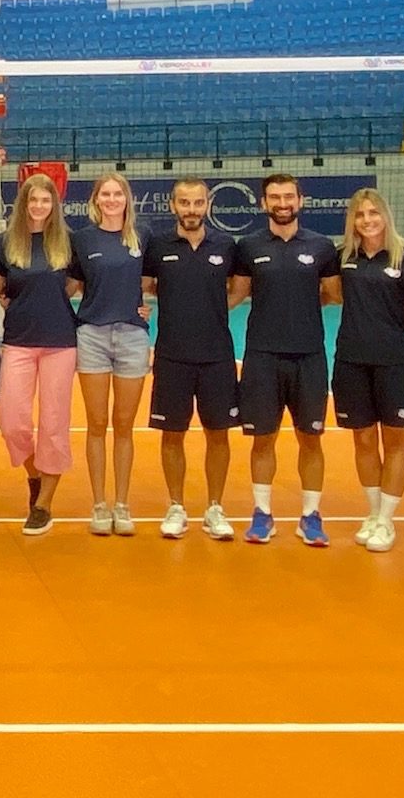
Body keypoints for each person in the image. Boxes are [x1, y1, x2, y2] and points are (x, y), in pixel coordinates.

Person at [229, 174, 340, 546]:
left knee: (311, 439)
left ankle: (310, 515)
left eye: (288, 196)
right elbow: (235, 295)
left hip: (309, 356)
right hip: (261, 356)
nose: (282, 202)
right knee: (263, 440)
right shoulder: (248, 247)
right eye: (274, 197)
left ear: (300, 200)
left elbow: (333, 294)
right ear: (263, 203)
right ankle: (262, 513)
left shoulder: (323, 247)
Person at [327, 188, 404, 554]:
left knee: (396, 440)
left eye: (373, 213)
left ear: (385, 215)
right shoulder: (342, 258)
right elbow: (333, 295)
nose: (367, 220)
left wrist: (396, 324)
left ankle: (387, 519)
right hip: (351, 360)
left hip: (394, 362)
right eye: (360, 214)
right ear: (352, 220)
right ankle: (373, 513)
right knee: (364, 440)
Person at [142, 177, 240, 540]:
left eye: (198, 203)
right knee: (173, 434)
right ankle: (176, 506)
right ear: (173, 206)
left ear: (207, 205)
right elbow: (148, 286)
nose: (192, 209)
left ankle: (215, 507)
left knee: (218, 435)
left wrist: (209, 311)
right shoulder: (157, 246)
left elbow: (238, 289)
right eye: (185, 203)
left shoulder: (227, 245)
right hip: (172, 355)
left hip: (217, 356)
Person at [0, 173, 77, 536]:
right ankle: (34, 477)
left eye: (46, 200)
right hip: (18, 341)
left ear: (54, 205)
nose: (39, 206)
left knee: (54, 424)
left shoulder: (68, 243)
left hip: (60, 342)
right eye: (33, 200)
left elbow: (77, 284)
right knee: (12, 422)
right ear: (23, 204)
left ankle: (43, 505)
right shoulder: (5, 244)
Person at [69, 172, 153, 537]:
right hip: (92, 335)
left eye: (118, 193)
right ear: (96, 200)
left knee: (123, 425)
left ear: (127, 198)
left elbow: (151, 280)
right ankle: (99, 504)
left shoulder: (143, 237)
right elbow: (70, 284)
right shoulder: (83, 239)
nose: (112, 199)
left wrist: (144, 304)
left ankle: (122, 503)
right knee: (97, 423)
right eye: (106, 193)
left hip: (133, 337)